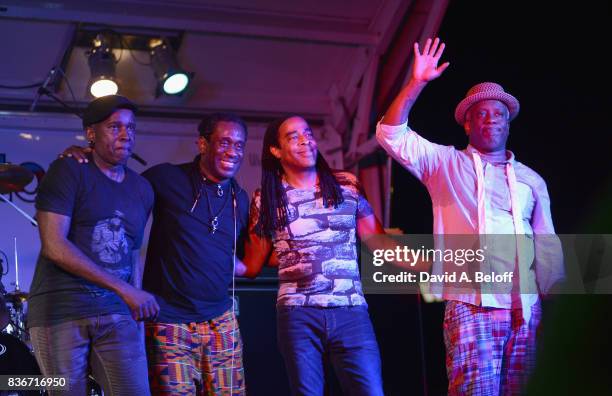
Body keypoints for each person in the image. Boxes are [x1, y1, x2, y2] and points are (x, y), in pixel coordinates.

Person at [376, 37, 564, 395]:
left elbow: (547, 243)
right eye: (482, 113)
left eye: (499, 114)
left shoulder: (530, 179)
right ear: (466, 123)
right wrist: (416, 83)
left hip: (525, 309)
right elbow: (390, 135)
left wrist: (558, 311)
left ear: (509, 124)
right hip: (469, 304)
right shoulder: (445, 164)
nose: (492, 119)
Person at [61, 112, 250, 395]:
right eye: (224, 142)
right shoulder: (167, 178)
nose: (233, 151)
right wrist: (88, 157)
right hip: (170, 321)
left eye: (239, 145)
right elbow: (118, 183)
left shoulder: (239, 197)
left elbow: (227, 249)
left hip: (221, 321)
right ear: (202, 143)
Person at [242, 115, 385, 396]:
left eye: (307, 132)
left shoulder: (347, 185)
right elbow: (253, 265)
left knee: (370, 391)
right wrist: (204, 257)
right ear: (275, 150)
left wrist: (431, 263)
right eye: (293, 136)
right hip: (298, 313)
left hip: (351, 310)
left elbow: (378, 241)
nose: (305, 139)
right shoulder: (266, 198)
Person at [28, 95, 158, 396]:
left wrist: (134, 308)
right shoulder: (68, 170)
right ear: (91, 134)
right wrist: (126, 291)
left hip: (117, 314)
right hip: (61, 312)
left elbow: (130, 256)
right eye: (114, 127)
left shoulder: (141, 189)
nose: (126, 135)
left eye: (131, 128)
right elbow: (54, 246)